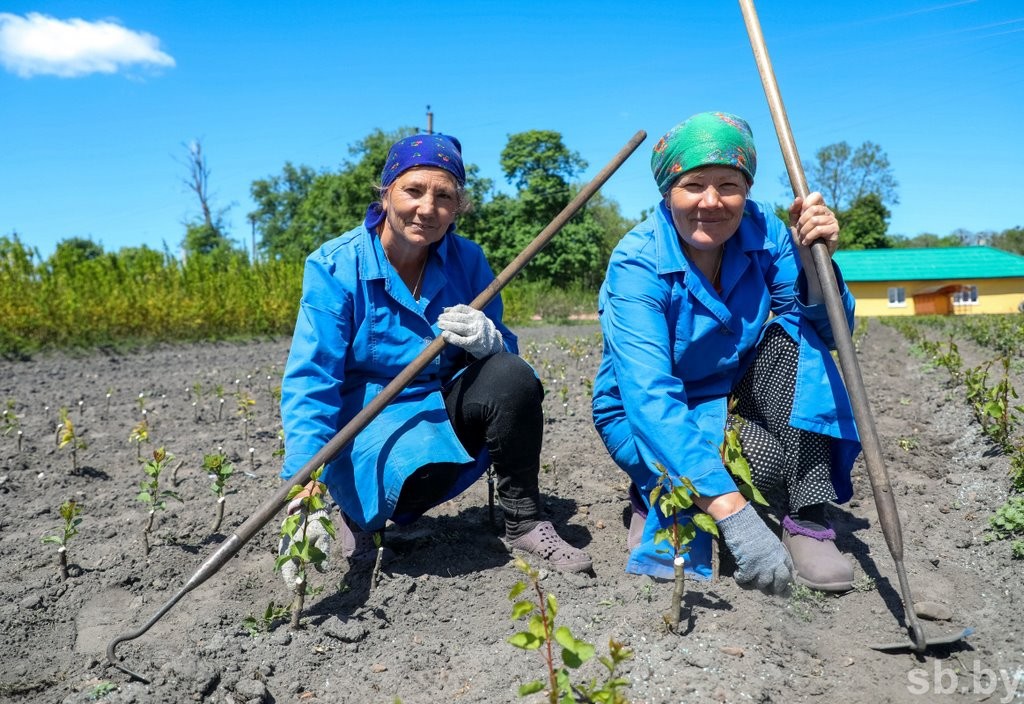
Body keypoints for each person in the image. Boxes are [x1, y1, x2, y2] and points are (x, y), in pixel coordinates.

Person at [277, 133, 592, 586]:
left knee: (510, 375)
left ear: (458, 206)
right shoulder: (335, 266)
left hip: (440, 408)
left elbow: (505, 359)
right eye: (413, 191)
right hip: (366, 424)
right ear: (386, 194)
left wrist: (491, 343)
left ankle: (524, 522)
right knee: (395, 477)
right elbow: (313, 378)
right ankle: (355, 512)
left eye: (444, 196)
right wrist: (301, 487)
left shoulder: (468, 260)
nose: (427, 208)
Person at [592, 112, 861, 594]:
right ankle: (653, 492)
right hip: (647, 415)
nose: (711, 202)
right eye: (693, 185)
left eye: (728, 185)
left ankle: (807, 515)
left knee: (795, 337)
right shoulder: (637, 262)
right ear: (667, 192)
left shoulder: (768, 233)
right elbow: (648, 395)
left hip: (735, 391)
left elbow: (830, 333)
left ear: (748, 189)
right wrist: (736, 517)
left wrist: (814, 260)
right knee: (752, 471)